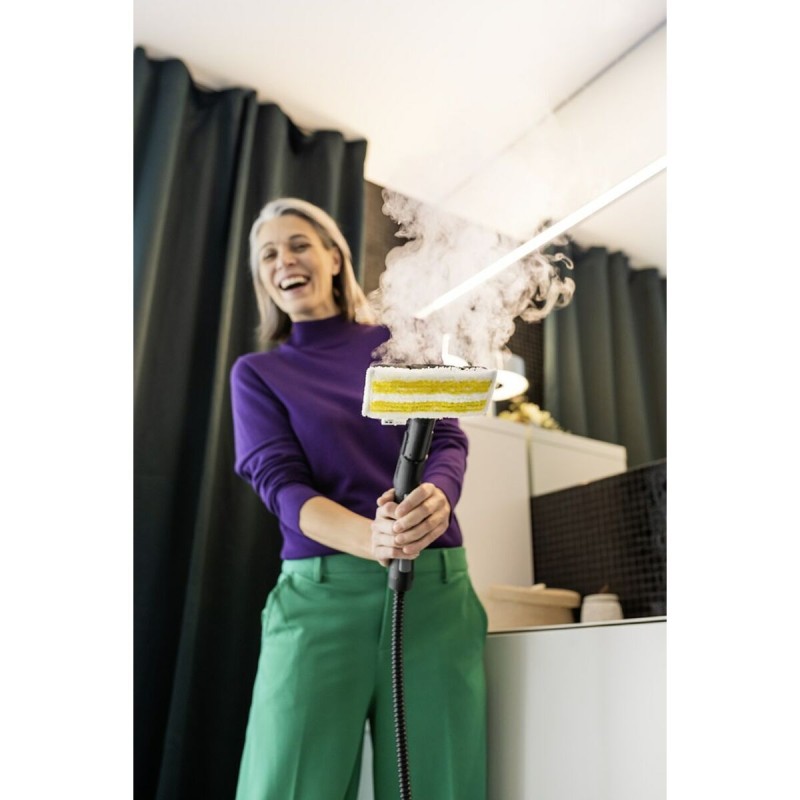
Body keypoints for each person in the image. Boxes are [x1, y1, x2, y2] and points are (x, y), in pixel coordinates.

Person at [230, 197, 487, 799]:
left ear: (334, 257)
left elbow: (446, 437)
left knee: (439, 785)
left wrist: (438, 499)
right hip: (320, 600)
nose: (284, 260)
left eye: (299, 244)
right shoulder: (258, 373)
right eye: (268, 254)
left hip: (433, 596)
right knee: (287, 786)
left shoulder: (402, 341)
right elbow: (280, 483)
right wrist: (373, 537)